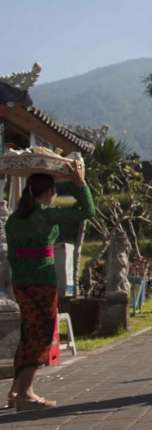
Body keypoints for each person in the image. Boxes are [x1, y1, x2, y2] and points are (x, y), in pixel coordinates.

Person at [5, 162, 93, 411]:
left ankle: (15, 391)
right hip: (42, 282)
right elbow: (88, 211)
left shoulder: (13, 221)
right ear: (47, 192)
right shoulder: (46, 215)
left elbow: (12, 256)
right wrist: (80, 184)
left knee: (28, 332)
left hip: (21, 283)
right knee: (42, 334)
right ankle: (26, 393)